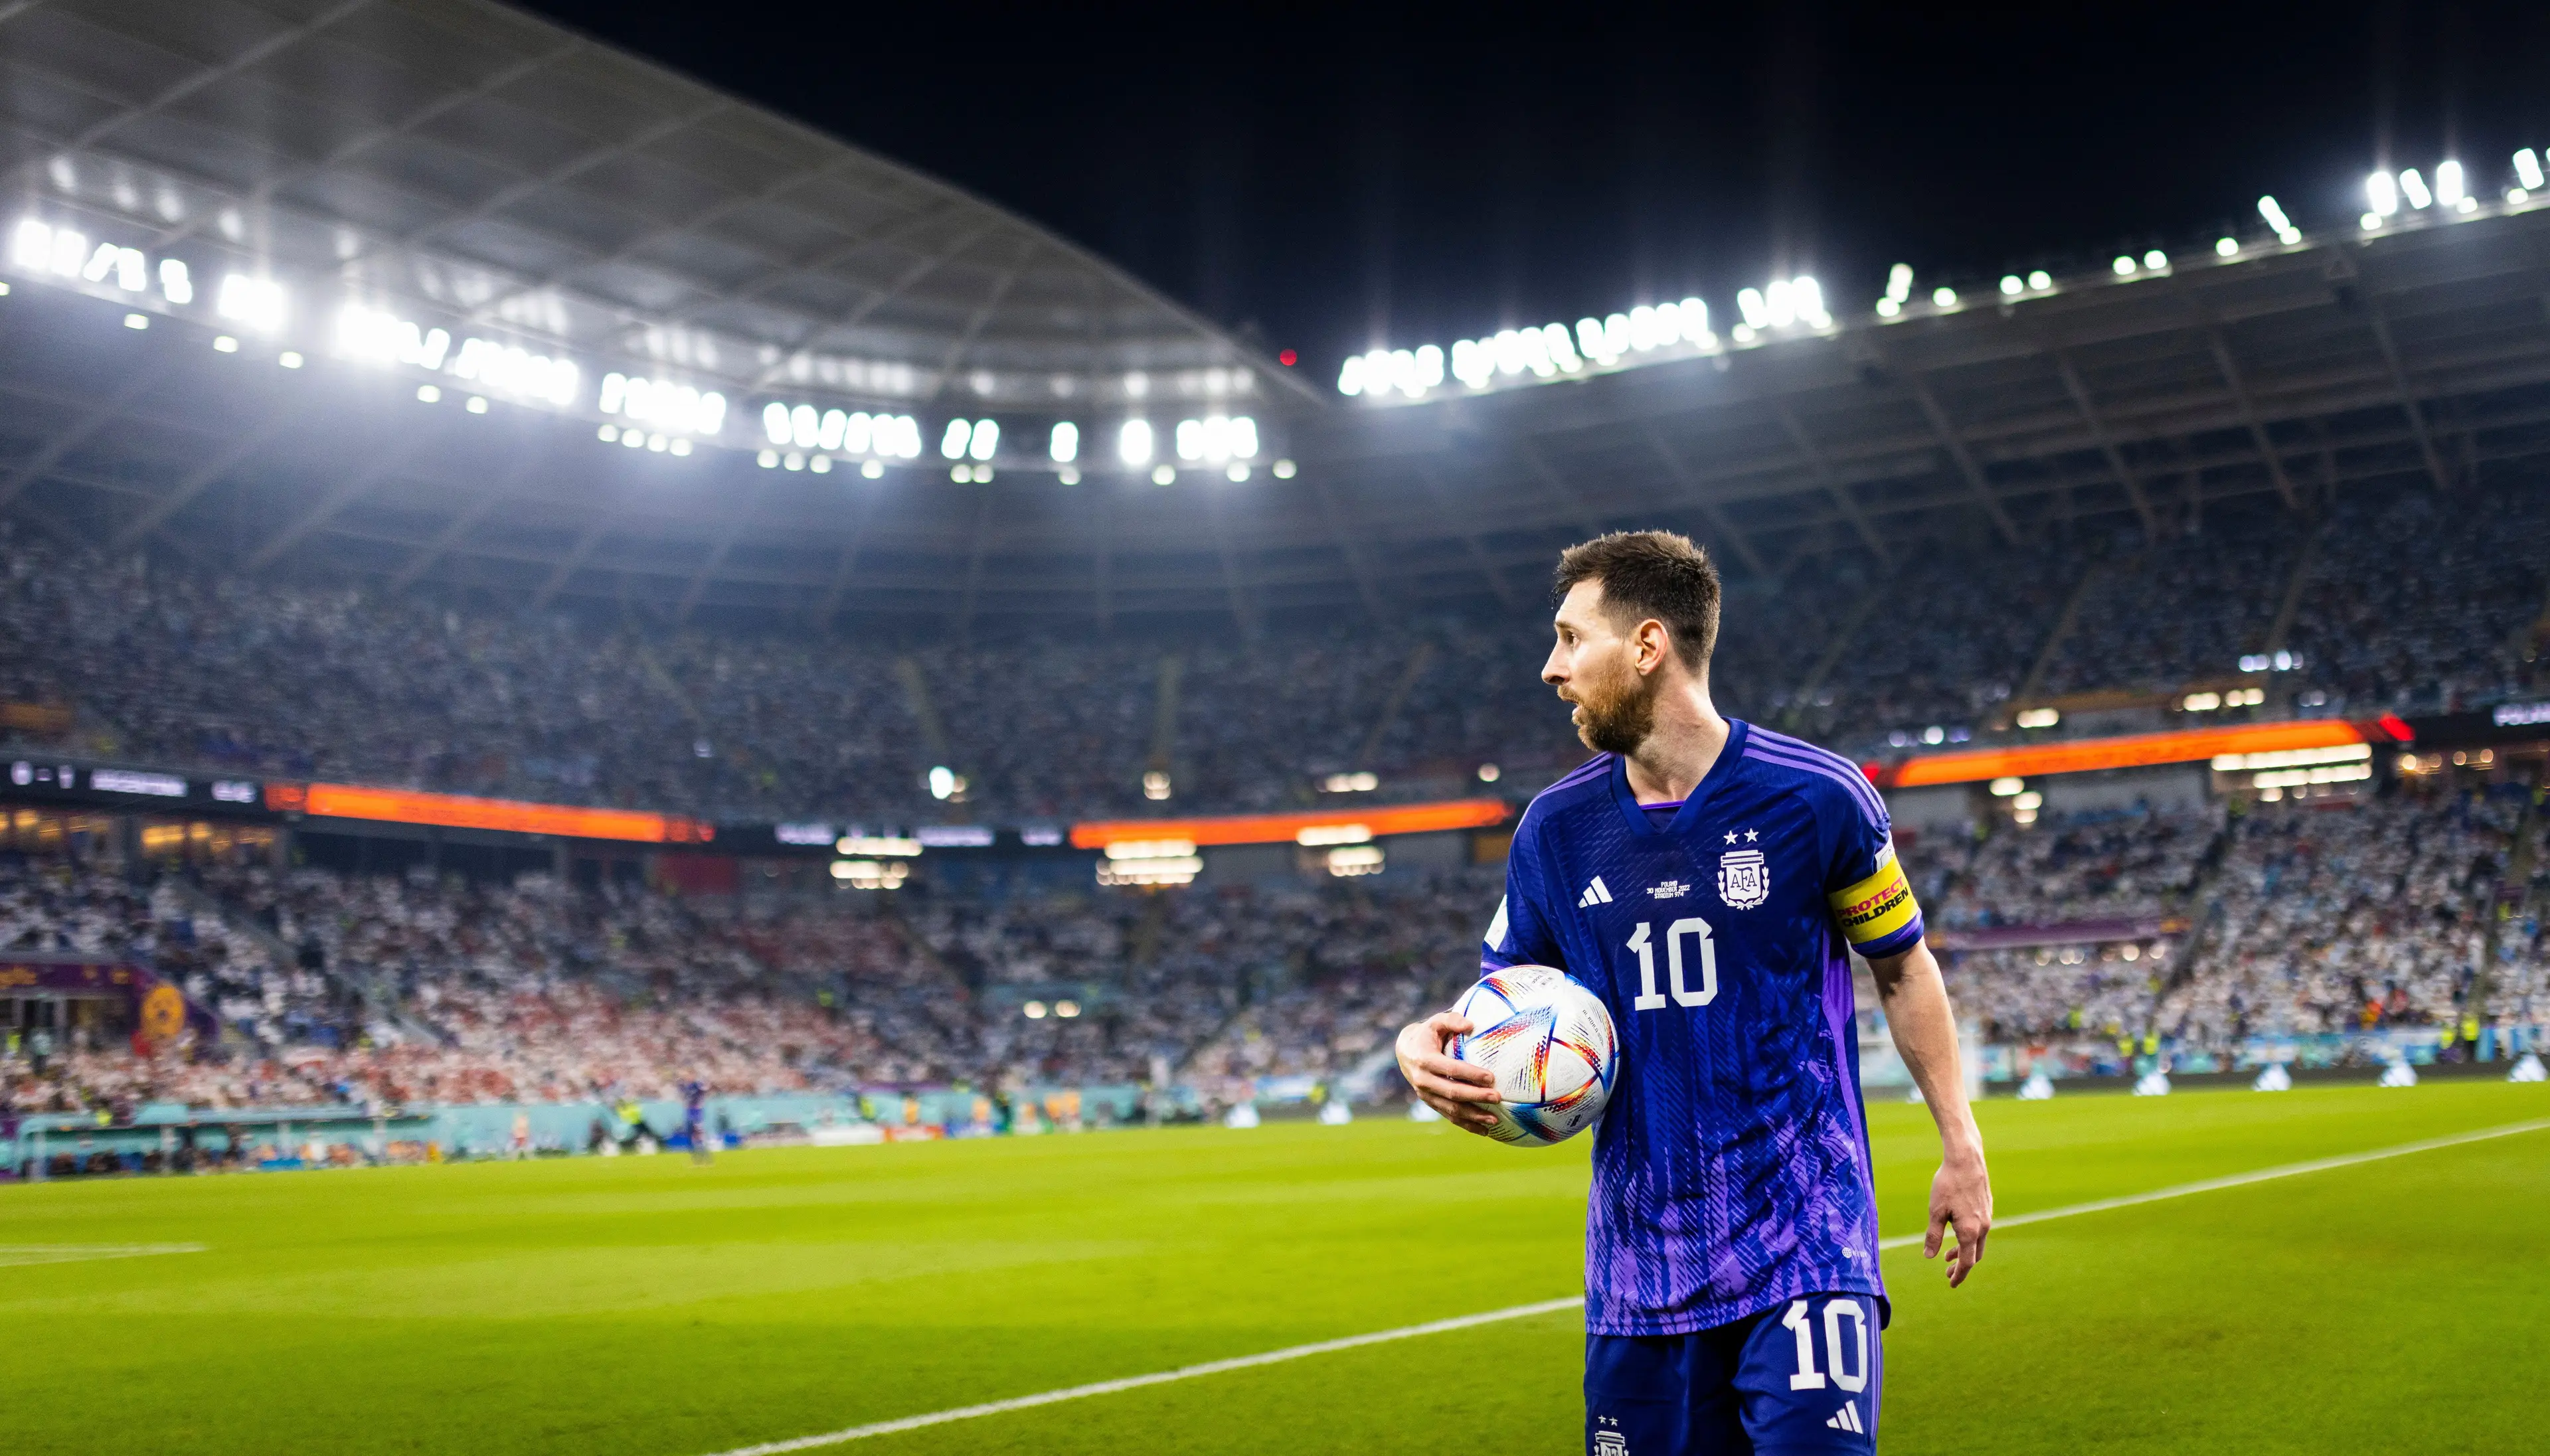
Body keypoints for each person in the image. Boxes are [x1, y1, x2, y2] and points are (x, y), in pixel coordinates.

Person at [1396, 531, 1992, 1456]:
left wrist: (1962, 1142)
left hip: (1805, 1243)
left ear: (1647, 645)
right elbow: (1502, 1003)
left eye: (1570, 638)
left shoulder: (1817, 797)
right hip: (1638, 1273)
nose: (1551, 667)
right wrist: (1419, 1045)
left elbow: (1903, 966)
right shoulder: (1555, 830)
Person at [683, 1080, 712, 1164]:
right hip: (691, 1113)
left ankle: (705, 1158)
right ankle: (697, 1159)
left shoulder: (697, 1088)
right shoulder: (689, 1090)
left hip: (696, 1114)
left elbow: (705, 1089)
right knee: (692, 1138)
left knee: (699, 1137)